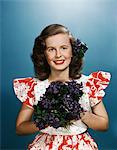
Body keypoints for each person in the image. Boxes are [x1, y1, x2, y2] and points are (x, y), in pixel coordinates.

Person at [13, 24, 111, 150]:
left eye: (64, 48)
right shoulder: (35, 87)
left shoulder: (87, 84)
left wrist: (80, 113)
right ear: (43, 54)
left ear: (73, 51)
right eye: (51, 49)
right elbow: (20, 128)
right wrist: (45, 121)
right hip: (46, 146)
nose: (58, 54)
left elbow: (104, 125)